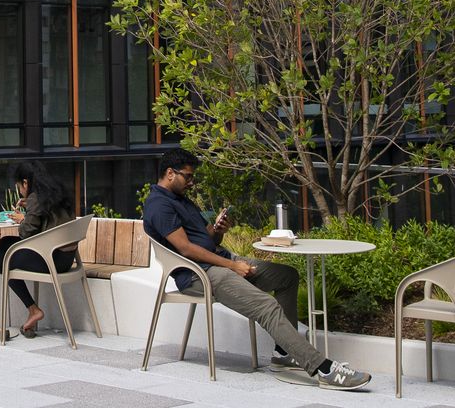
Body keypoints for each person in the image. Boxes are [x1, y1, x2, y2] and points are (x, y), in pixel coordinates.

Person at [142, 150, 370, 391]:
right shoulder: (159, 205)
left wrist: (218, 230)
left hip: (220, 261)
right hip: (199, 274)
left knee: (286, 276)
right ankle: (323, 369)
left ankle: (283, 354)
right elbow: (186, 249)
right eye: (188, 176)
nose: (192, 182)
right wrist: (233, 266)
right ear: (170, 173)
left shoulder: (182, 200)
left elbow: (208, 240)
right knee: (266, 306)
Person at [0, 161, 77, 337]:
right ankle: (25, 307)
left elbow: (26, 233)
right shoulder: (56, 195)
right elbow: (46, 224)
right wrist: (30, 209)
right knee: (6, 248)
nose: (19, 191)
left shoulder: (36, 198)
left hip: (52, 260)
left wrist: (23, 219)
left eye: (19, 187)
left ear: (25, 182)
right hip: (66, 259)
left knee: (6, 257)